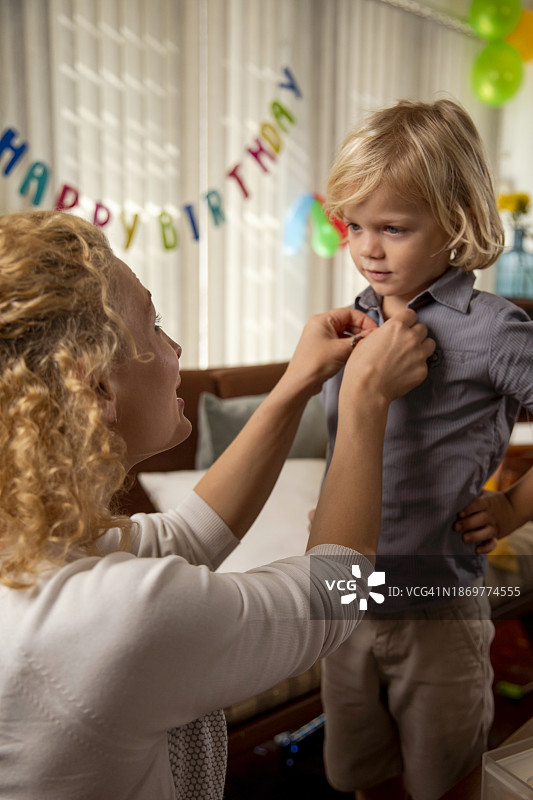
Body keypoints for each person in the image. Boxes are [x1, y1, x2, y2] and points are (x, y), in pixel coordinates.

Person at [0, 209, 434, 800]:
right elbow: (339, 591)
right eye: (154, 325)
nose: (175, 346)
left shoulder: (34, 550)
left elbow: (188, 535)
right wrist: (365, 398)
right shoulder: (109, 617)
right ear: (97, 386)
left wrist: (297, 382)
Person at [318, 98, 533, 800]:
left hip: (436, 601)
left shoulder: (494, 330)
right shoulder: (354, 316)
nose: (368, 248)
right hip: (345, 596)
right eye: (356, 226)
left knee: (443, 780)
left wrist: (509, 509)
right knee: (362, 775)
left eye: (394, 228)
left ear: (458, 223)